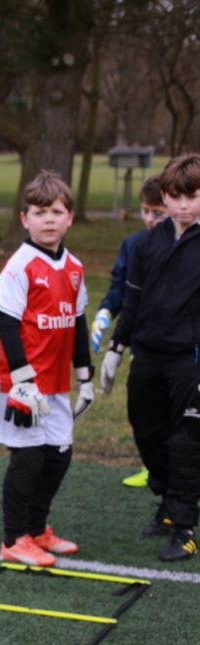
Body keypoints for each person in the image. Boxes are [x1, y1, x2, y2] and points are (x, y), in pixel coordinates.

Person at [100, 153, 200, 562]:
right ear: (164, 197)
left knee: (186, 442)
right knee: (146, 431)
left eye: (193, 196)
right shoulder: (147, 243)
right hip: (148, 356)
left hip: (190, 361)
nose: (184, 205)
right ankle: (165, 502)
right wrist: (116, 349)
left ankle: (185, 527)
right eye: (176, 196)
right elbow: (134, 299)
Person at [0, 171, 94, 567]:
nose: (48, 219)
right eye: (39, 212)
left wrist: (84, 377)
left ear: (70, 217)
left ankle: (36, 530)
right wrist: (22, 381)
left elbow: (78, 322)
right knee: (28, 459)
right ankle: (14, 539)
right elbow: (7, 326)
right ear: (24, 219)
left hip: (57, 385)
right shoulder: (19, 267)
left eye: (56, 211)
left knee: (58, 457)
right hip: (23, 385)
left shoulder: (74, 266)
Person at [89, 175, 169, 488]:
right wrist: (106, 312)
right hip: (142, 344)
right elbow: (122, 289)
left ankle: (178, 481)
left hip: (183, 348)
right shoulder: (133, 245)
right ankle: (155, 468)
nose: (150, 219)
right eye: (146, 211)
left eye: (157, 212)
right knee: (145, 415)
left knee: (180, 417)